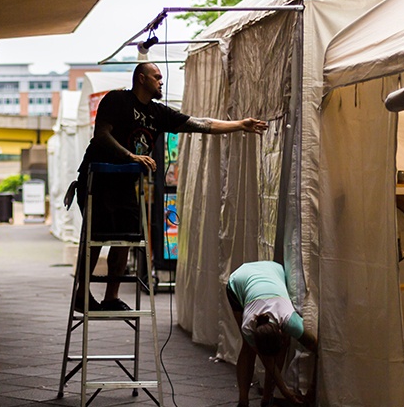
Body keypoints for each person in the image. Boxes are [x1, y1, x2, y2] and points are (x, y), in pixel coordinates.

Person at [69, 62, 268, 313]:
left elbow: (201, 124)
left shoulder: (158, 113)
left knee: (125, 240)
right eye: (157, 77)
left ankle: (111, 296)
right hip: (97, 181)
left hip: (125, 186)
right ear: (141, 79)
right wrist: (131, 156)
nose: (161, 81)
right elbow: (101, 134)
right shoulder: (117, 100)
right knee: (95, 238)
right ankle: (82, 294)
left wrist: (240, 125)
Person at [226, 260, 318, 407]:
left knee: (280, 349)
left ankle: (267, 402)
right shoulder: (248, 327)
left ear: (282, 331)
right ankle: (243, 404)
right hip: (239, 280)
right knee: (248, 348)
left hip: (272, 270)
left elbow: (317, 349)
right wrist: (285, 390)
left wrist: (313, 386)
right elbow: (267, 361)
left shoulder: (291, 321)